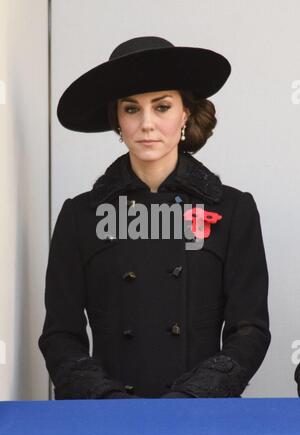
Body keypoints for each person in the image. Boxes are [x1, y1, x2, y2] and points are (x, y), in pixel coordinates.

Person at [39, 36, 271, 399]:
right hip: (108, 422)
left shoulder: (232, 210)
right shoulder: (79, 216)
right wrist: (106, 400)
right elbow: (60, 334)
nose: (147, 124)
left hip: (200, 419)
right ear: (117, 119)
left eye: (161, 107)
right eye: (131, 109)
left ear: (186, 113)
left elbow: (249, 330)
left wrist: (192, 399)